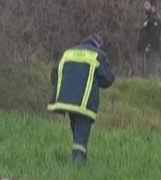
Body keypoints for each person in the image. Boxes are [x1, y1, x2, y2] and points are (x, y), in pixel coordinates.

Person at [48, 35, 116, 164]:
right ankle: (78, 160)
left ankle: (83, 157)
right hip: (85, 101)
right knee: (82, 129)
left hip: (67, 100)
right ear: (98, 46)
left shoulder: (68, 53)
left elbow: (54, 76)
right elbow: (107, 79)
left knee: (77, 128)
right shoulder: (98, 55)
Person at [137, 0, 161, 77]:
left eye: (147, 5)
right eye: (145, 5)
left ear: (153, 7)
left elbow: (154, 35)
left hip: (151, 49)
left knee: (150, 72)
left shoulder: (155, 20)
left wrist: (149, 46)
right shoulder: (148, 19)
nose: (145, 7)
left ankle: (151, 82)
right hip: (145, 49)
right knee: (145, 71)